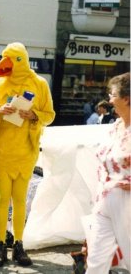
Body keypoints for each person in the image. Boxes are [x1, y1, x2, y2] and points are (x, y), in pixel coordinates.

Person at [0, 42, 55, 268]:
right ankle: (0, 244)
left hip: (25, 153)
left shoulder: (39, 84)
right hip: (1, 152)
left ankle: (19, 244)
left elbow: (49, 115)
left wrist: (34, 114)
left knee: (20, 201)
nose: (6, 64)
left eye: (11, 59)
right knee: (2, 200)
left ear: (21, 60)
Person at [85, 72, 130, 274]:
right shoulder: (115, 127)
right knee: (95, 260)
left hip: (127, 203)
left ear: (127, 98)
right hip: (105, 202)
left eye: (113, 95)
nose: (110, 100)